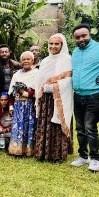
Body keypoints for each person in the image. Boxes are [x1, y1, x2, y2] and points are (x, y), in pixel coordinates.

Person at [71, 23, 99, 172]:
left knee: (90, 127)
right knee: (80, 128)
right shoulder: (75, 51)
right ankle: (83, 156)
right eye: (77, 37)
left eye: (83, 36)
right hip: (77, 94)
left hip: (94, 94)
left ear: (89, 34)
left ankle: (95, 158)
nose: (81, 39)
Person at [35, 34, 74, 163]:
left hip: (59, 99)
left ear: (62, 45)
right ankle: (43, 152)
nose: (53, 46)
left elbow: (69, 80)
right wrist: (42, 89)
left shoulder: (67, 59)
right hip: (46, 100)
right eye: (51, 44)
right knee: (45, 124)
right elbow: (39, 80)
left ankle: (57, 155)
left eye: (56, 44)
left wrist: (51, 88)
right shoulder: (45, 60)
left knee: (56, 125)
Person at [8, 51, 39, 156]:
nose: (26, 61)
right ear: (21, 61)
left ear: (32, 60)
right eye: (24, 59)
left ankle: (28, 150)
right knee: (17, 126)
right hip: (17, 105)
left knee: (28, 127)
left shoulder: (36, 73)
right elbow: (11, 93)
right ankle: (16, 149)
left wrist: (24, 92)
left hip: (29, 106)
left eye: (28, 59)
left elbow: (37, 91)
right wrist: (11, 107)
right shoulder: (16, 74)